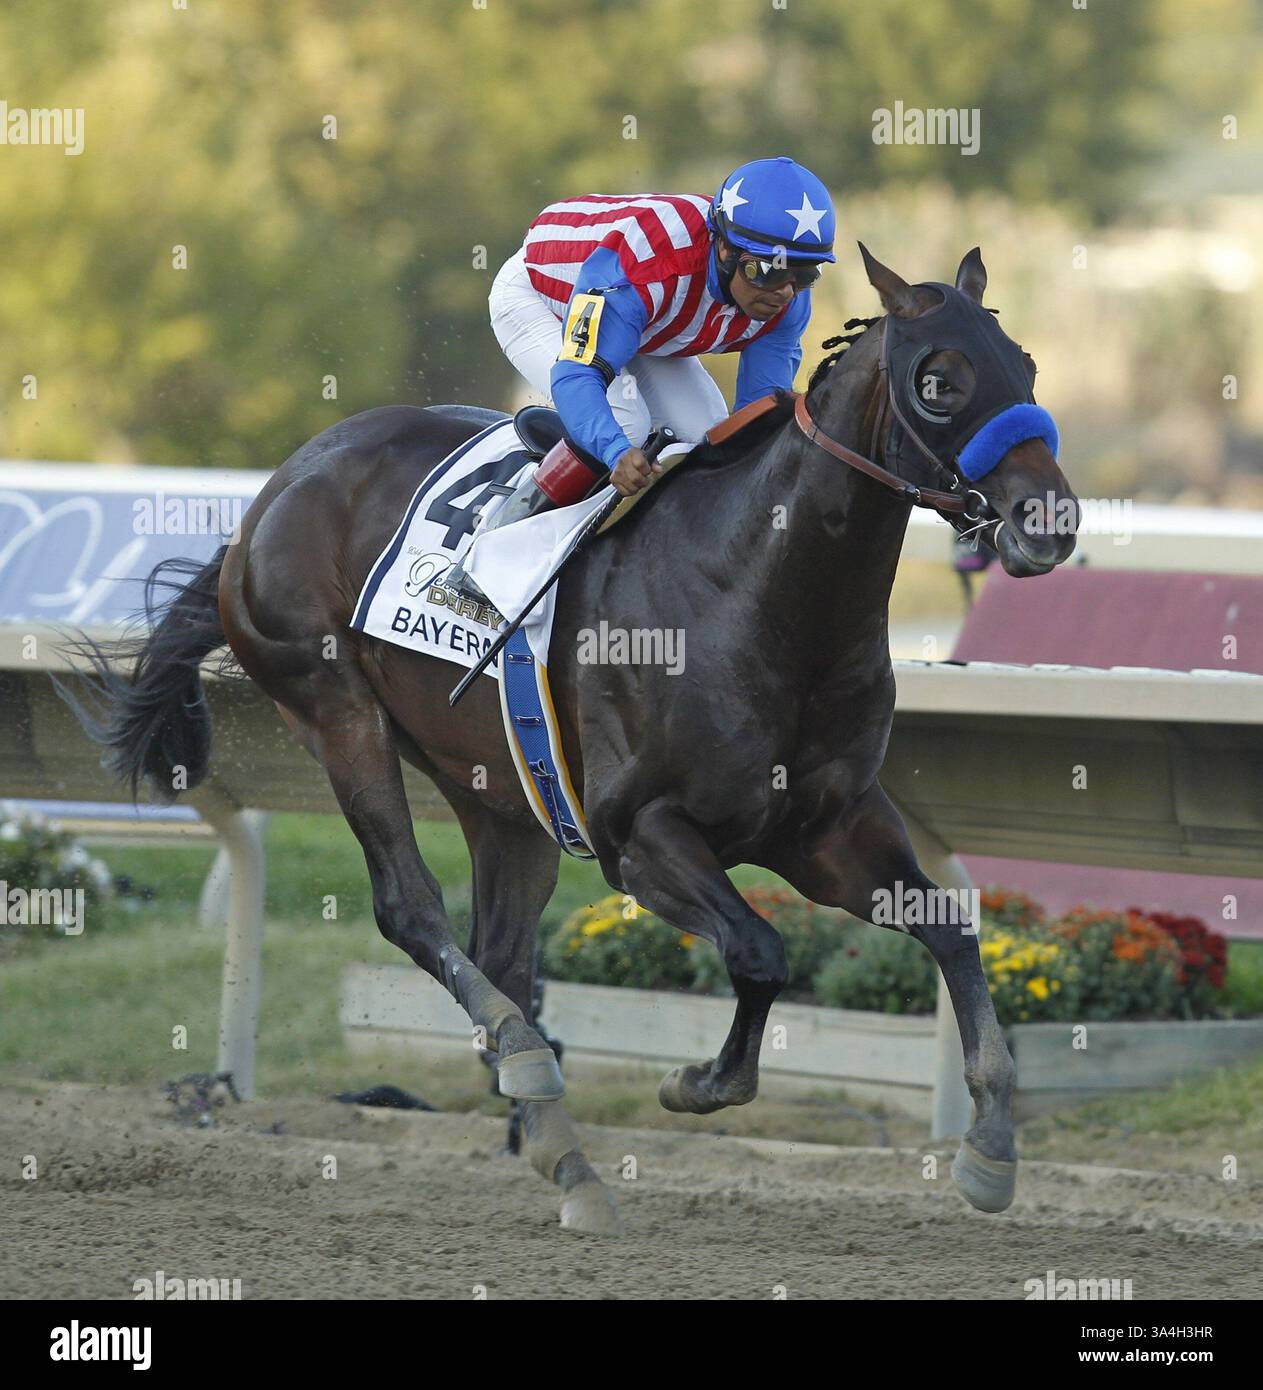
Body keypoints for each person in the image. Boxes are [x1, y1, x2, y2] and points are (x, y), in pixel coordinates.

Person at [444, 156, 835, 601]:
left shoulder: (786, 303)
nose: (783, 290)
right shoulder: (642, 267)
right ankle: (493, 547)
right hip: (541, 297)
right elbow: (577, 376)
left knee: (705, 437)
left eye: (804, 274)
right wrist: (615, 453)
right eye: (766, 271)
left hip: (647, 322)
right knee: (626, 423)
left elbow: (756, 423)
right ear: (724, 249)